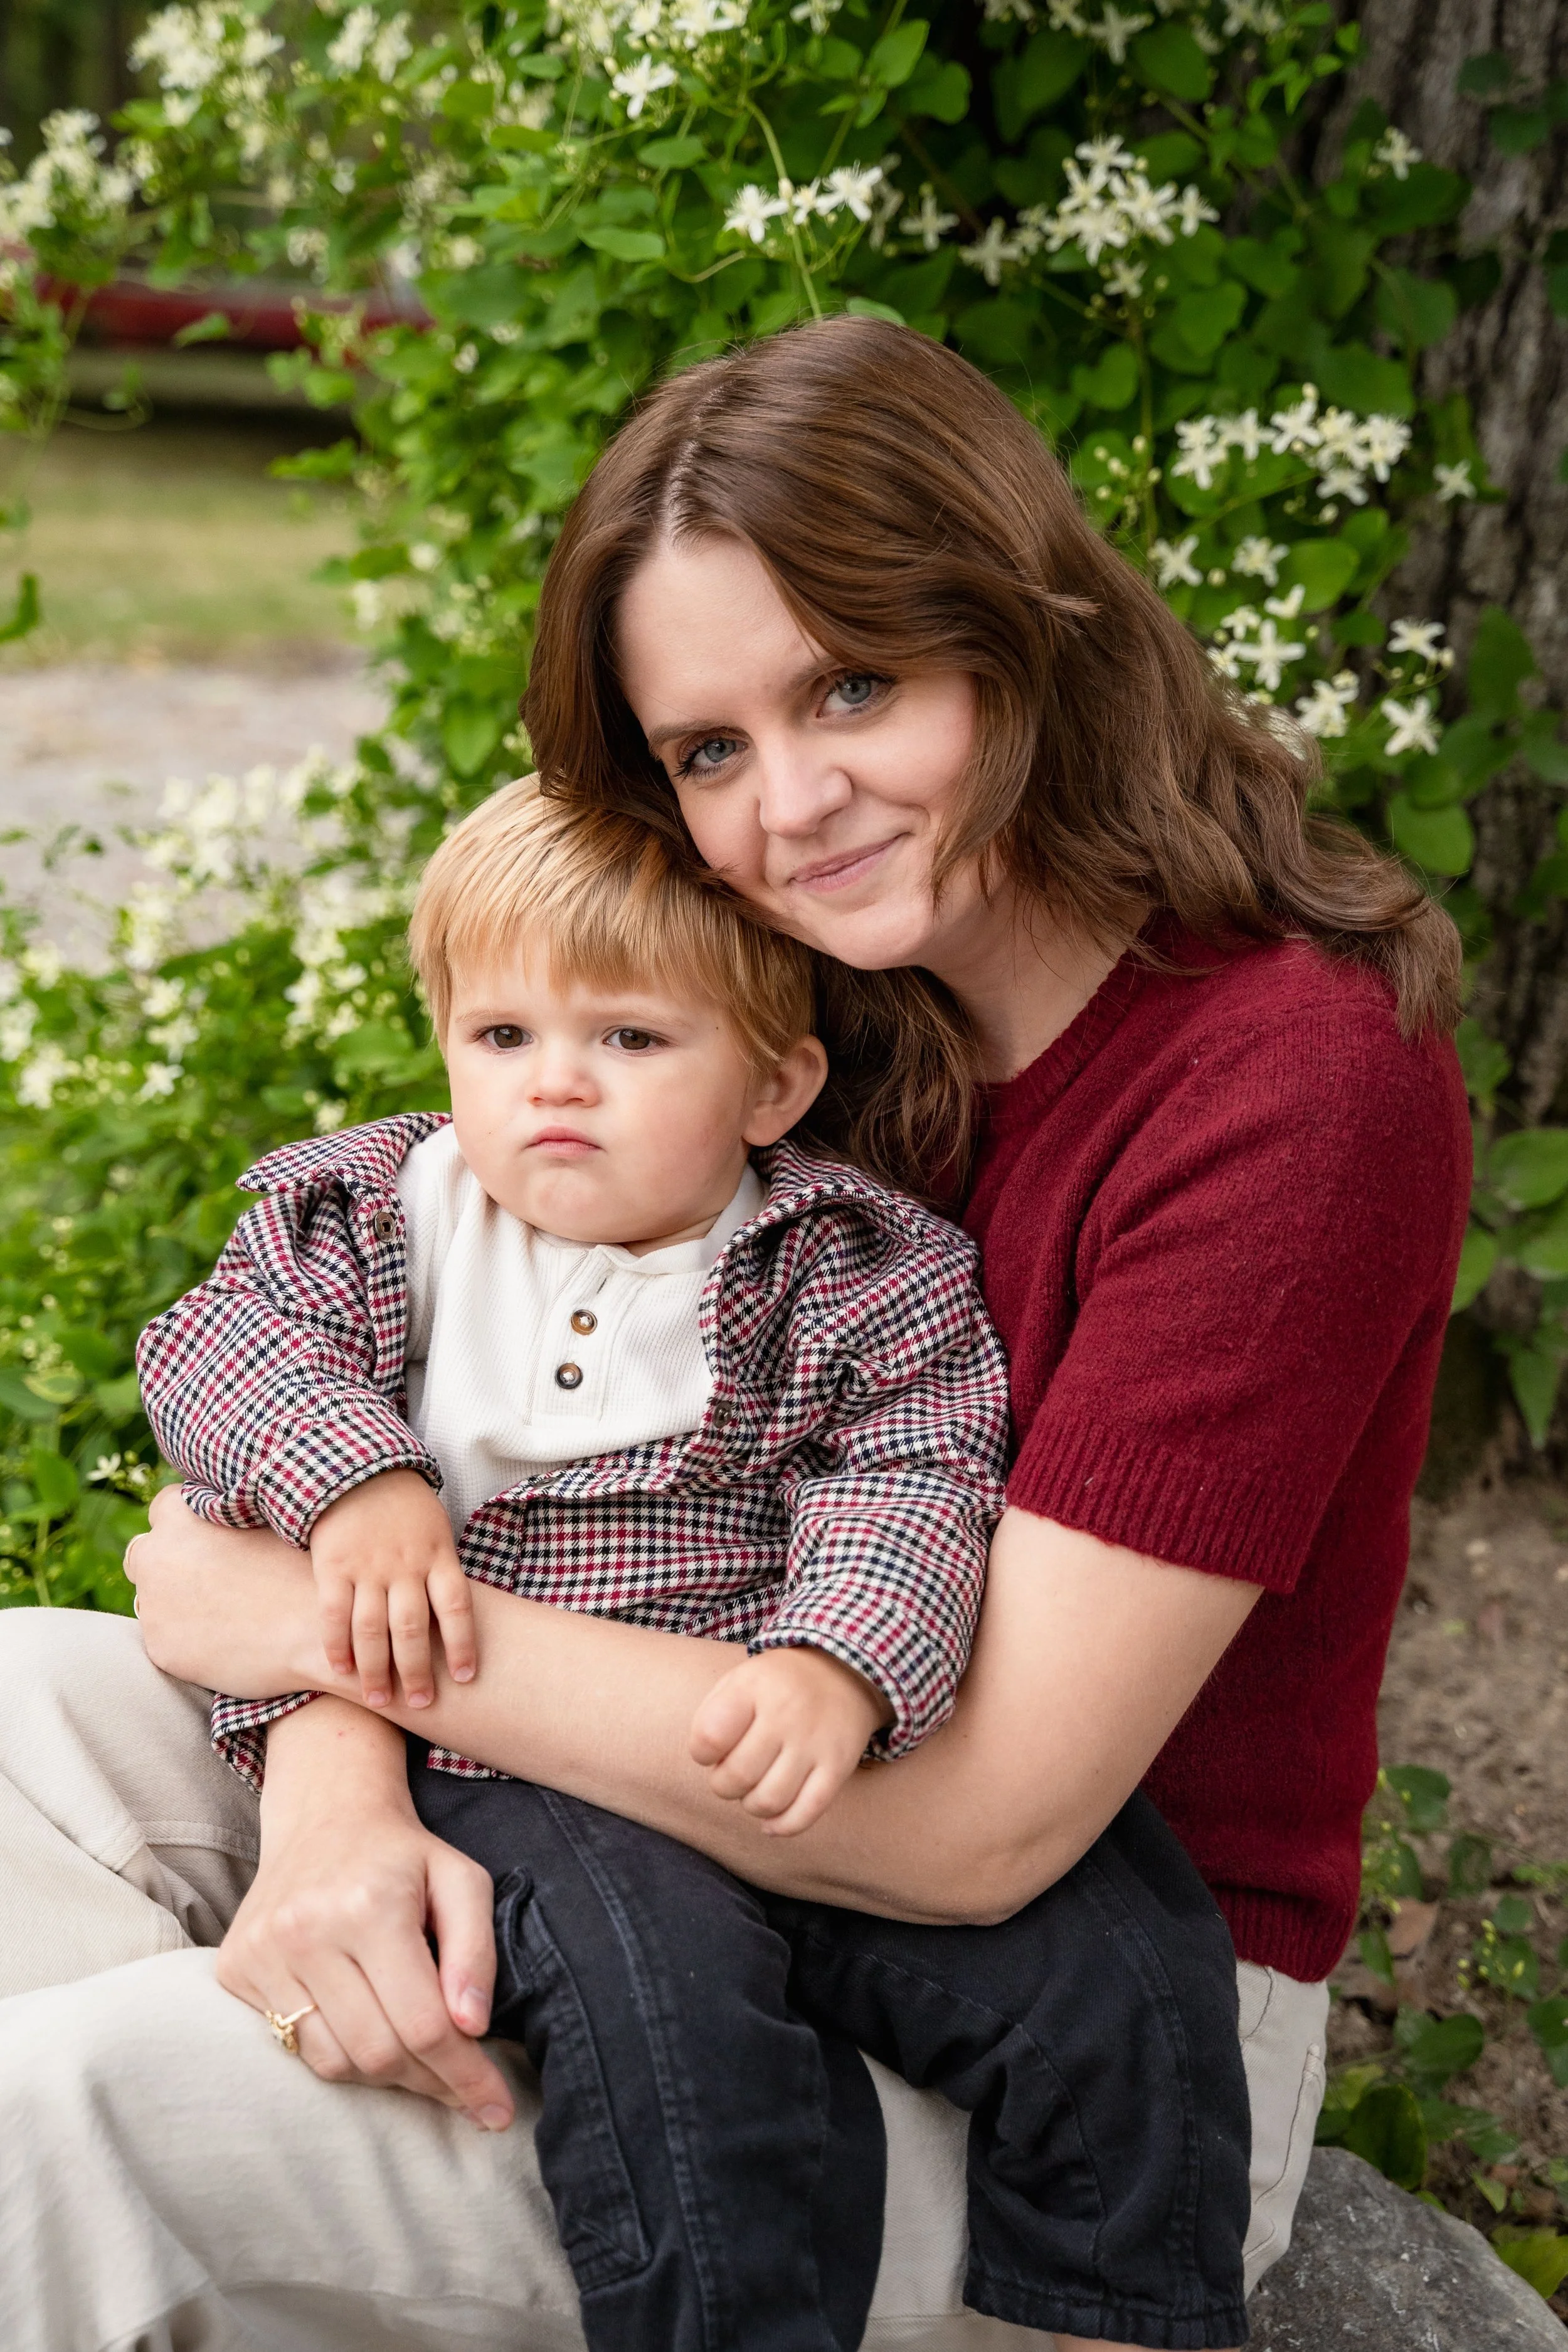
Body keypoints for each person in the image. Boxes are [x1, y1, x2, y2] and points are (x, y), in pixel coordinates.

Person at [0, 315, 1471, 2352]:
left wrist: (311, 1631)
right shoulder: (781, 999)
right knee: (17, 1712)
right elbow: (349, 1402)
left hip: (1040, 2019)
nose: (791, 802)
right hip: (593, 1802)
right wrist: (335, 1786)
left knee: (68, 2119)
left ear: (1016, 624)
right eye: (705, 749)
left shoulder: (1290, 1080)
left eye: (853, 684)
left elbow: (984, 1828)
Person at [132, 775, 1254, 2352]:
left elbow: (913, 1474)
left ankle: (1106, 2309)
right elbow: (222, 1352)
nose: (554, 1084)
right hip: (503, 1767)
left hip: (751, 1713)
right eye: (501, 1035)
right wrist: (360, 1481)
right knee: (674, 2021)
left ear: (773, 1084)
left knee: (1120, 1968)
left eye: (631, 1039)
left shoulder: (853, 1267)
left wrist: (837, 1657)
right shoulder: (385, 1217)